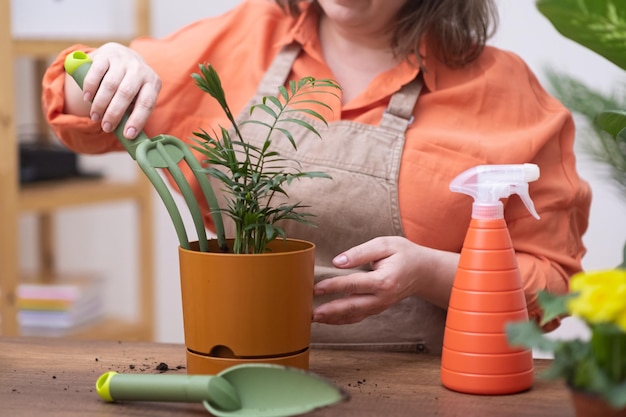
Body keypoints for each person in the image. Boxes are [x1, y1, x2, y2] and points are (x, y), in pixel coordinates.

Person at [42, 0, 591, 354]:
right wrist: (107, 65)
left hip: (427, 390)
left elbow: (551, 289)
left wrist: (430, 272)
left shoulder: (505, 91)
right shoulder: (245, 35)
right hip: (235, 369)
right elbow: (79, 115)